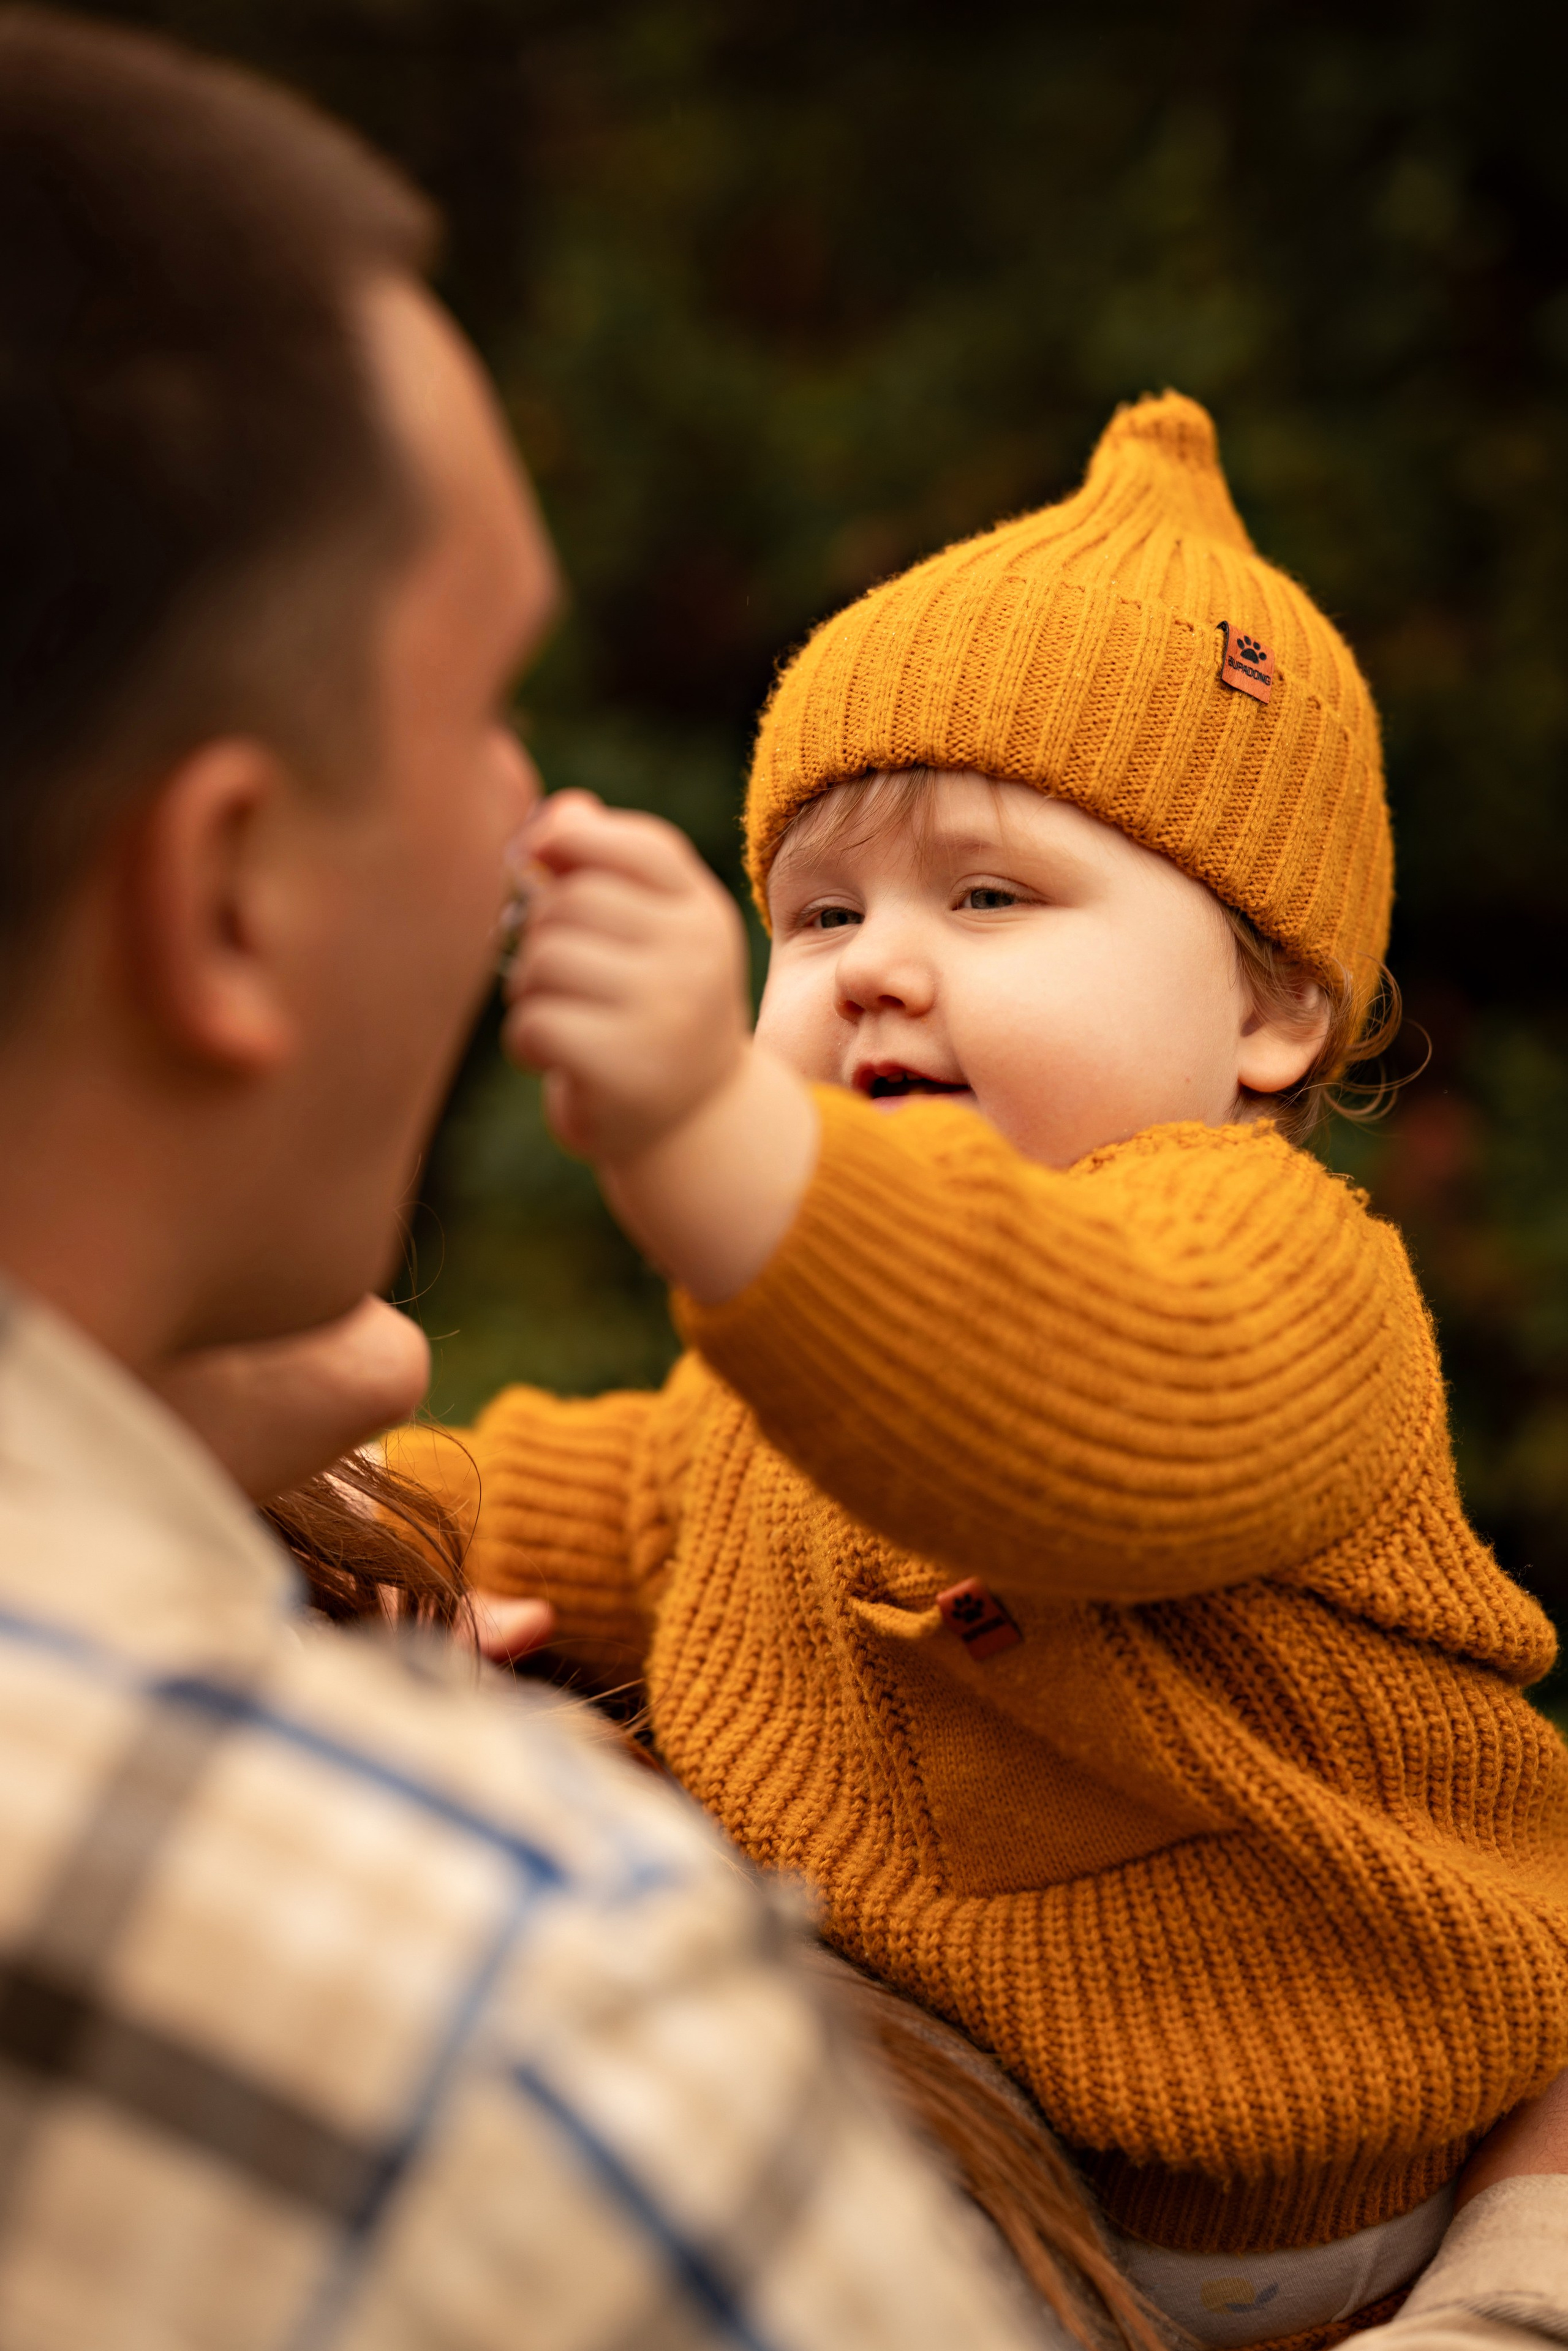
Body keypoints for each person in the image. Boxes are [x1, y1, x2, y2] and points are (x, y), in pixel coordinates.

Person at [0, 11, 1114, 2344]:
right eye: (479, 703)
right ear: (228, 897)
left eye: (997, 895)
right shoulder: (512, 2024)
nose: (530, 819)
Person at [388, 393, 1568, 2341]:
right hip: (985, 2182)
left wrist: (710, 1138)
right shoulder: (787, 1383)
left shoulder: (1268, 1272)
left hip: (1333, 2202)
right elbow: (576, 1496)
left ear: (1274, 1006)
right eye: (819, 913)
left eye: (991, 897)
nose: (874, 963)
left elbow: (1063, 1403)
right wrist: (328, 1501)